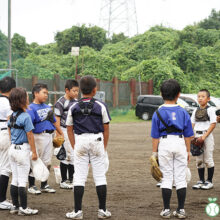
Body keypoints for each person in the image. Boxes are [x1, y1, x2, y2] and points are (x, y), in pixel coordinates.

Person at [65, 75, 111, 219]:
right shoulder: (101, 106)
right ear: (95, 90)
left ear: (80, 91)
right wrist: (103, 147)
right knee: (100, 176)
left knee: (78, 177)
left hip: (80, 140)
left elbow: (69, 129)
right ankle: (102, 210)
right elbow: (106, 128)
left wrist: (74, 146)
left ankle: (78, 211)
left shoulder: (73, 106)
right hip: (97, 140)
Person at [151, 79, 193, 219]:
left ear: (162, 94)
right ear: (178, 94)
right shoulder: (183, 111)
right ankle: (181, 210)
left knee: (167, 178)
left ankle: (166, 210)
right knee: (181, 178)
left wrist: (154, 153)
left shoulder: (158, 112)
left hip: (165, 143)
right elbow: (188, 135)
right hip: (180, 142)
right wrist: (188, 151)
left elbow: (155, 136)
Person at [27, 83, 64, 194]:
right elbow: (29, 126)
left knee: (47, 161)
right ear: (36, 93)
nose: (46, 95)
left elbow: (53, 121)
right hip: (37, 136)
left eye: (47, 93)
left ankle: (44, 184)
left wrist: (60, 133)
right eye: (44, 93)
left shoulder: (47, 107)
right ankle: (32, 185)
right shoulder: (31, 108)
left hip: (49, 136)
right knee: (35, 160)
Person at [8, 87, 38, 215]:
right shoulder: (25, 116)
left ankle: (15, 206)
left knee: (15, 178)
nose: (28, 98)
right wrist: (34, 152)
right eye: (26, 97)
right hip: (22, 150)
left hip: (12, 149)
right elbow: (30, 135)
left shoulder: (12, 116)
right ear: (21, 100)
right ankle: (24, 208)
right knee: (23, 180)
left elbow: (9, 129)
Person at [54, 79, 79, 189]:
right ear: (67, 90)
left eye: (77, 91)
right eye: (74, 91)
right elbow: (57, 120)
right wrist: (59, 135)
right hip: (64, 131)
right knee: (65, 156)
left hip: (74, 132)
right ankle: (64, 180)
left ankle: (72, 179)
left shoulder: (76, 102)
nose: (76, 93)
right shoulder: (60, 102)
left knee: (73, 155)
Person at [191, 89, 216, 190]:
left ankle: (209, 181)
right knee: (199, 159)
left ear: (208, 99)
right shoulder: (195, 110)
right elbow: (191, 124)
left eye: (203, 96)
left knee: (208, 159)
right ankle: (201, 180)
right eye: (199, 96)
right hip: (197, 136)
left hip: (207, 136)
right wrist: (192, 136)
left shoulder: (210, 110)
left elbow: (213, 124)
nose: (200, 98)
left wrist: (204, 137)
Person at [0, 76, 16, 210]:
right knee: (5, 167)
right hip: (4, 133)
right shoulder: (8, 103)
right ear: (12, 90)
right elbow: (11, 121)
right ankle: (1, 200)